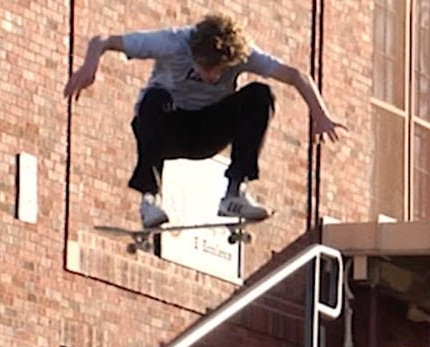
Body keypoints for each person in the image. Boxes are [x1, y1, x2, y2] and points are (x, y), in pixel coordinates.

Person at [63, 13, 346, 228]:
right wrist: (90, 67)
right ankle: (149, 199)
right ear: (193, 54)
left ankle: (235, 193)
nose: (211, 76)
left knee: (260, 94)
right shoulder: (172, 42)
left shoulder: (245, 54)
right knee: (153, 99)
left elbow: (296, 76)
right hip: (169, 129)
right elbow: (103, 41)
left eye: (219, 70)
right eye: (205, 67)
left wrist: (320, 115)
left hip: (209, 133)